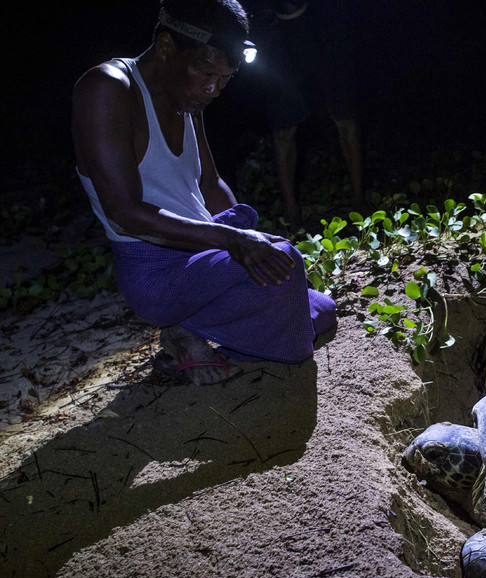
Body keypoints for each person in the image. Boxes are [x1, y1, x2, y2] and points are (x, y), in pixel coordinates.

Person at [72, 0, 337, 386]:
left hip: (203, 254)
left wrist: (250, 243)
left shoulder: (186, 96)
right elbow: (123, 212)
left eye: (225, 79)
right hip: (156, 270)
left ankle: (191, 329)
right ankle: (184, 327)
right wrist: (231, 239)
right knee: (289, 289)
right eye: (207, 72)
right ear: (166, 47)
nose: (213, 90)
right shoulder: (108, 88)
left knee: (321, 307)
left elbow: (211, 185)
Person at [250, 1, 365, 224]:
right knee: (283, 126)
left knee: (345, 118)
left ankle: (360, 199)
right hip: (277, 27)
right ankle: (291, 211)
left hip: (324, 22)